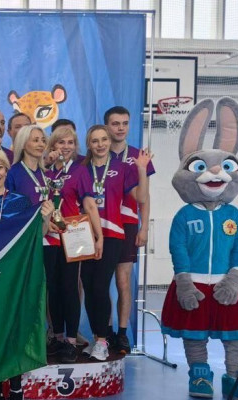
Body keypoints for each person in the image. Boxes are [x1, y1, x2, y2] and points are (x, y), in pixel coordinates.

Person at [0, 148, 54, 400]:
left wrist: (46, 217)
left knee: (13, 333)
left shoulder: (20, 202)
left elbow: (38, 234)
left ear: (6, 170)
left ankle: (16, 391)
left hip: (15, 278)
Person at [78, 125, 150, 361]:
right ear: (89, 145)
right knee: (89, 287)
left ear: (109, 142)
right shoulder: (82, 169)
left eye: (104, 140)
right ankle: (98, 337)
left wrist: (141, 169)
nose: (100, 144)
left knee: (100, 286)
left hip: (113, 234)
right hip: (85, 235)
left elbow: (141, 197)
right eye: (95, 141)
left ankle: (103, 340)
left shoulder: (122, 168)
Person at [41, 126, 99, 364]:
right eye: (60, 142)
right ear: (52, 145)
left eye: (70, 142)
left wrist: (98, 236)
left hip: (72, 236)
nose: (65, 147)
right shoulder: (44, 171)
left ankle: (71, 341)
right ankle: (56, 336)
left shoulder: (80, 170)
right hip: (47, 236)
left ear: (76, 146)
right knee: (52, 288)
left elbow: (89, 205)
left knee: (70, 288)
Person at [104, 106, 155, 354]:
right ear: (106, 126)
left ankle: (122, 333)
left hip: (127, 223)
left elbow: (145, 197)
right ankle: (105, 332)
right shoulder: (97, 153)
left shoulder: (138, 156)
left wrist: (144, 228)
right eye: (115, 123)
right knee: (101, 282)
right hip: (103, 224)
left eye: (125, 123)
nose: (120, 128)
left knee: (123, 280)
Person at [6, 124, 50, 205]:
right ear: (23, 144)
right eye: (36, 140)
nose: (41, 144)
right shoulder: (12, 173)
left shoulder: (46, 173)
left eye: (43, 141)